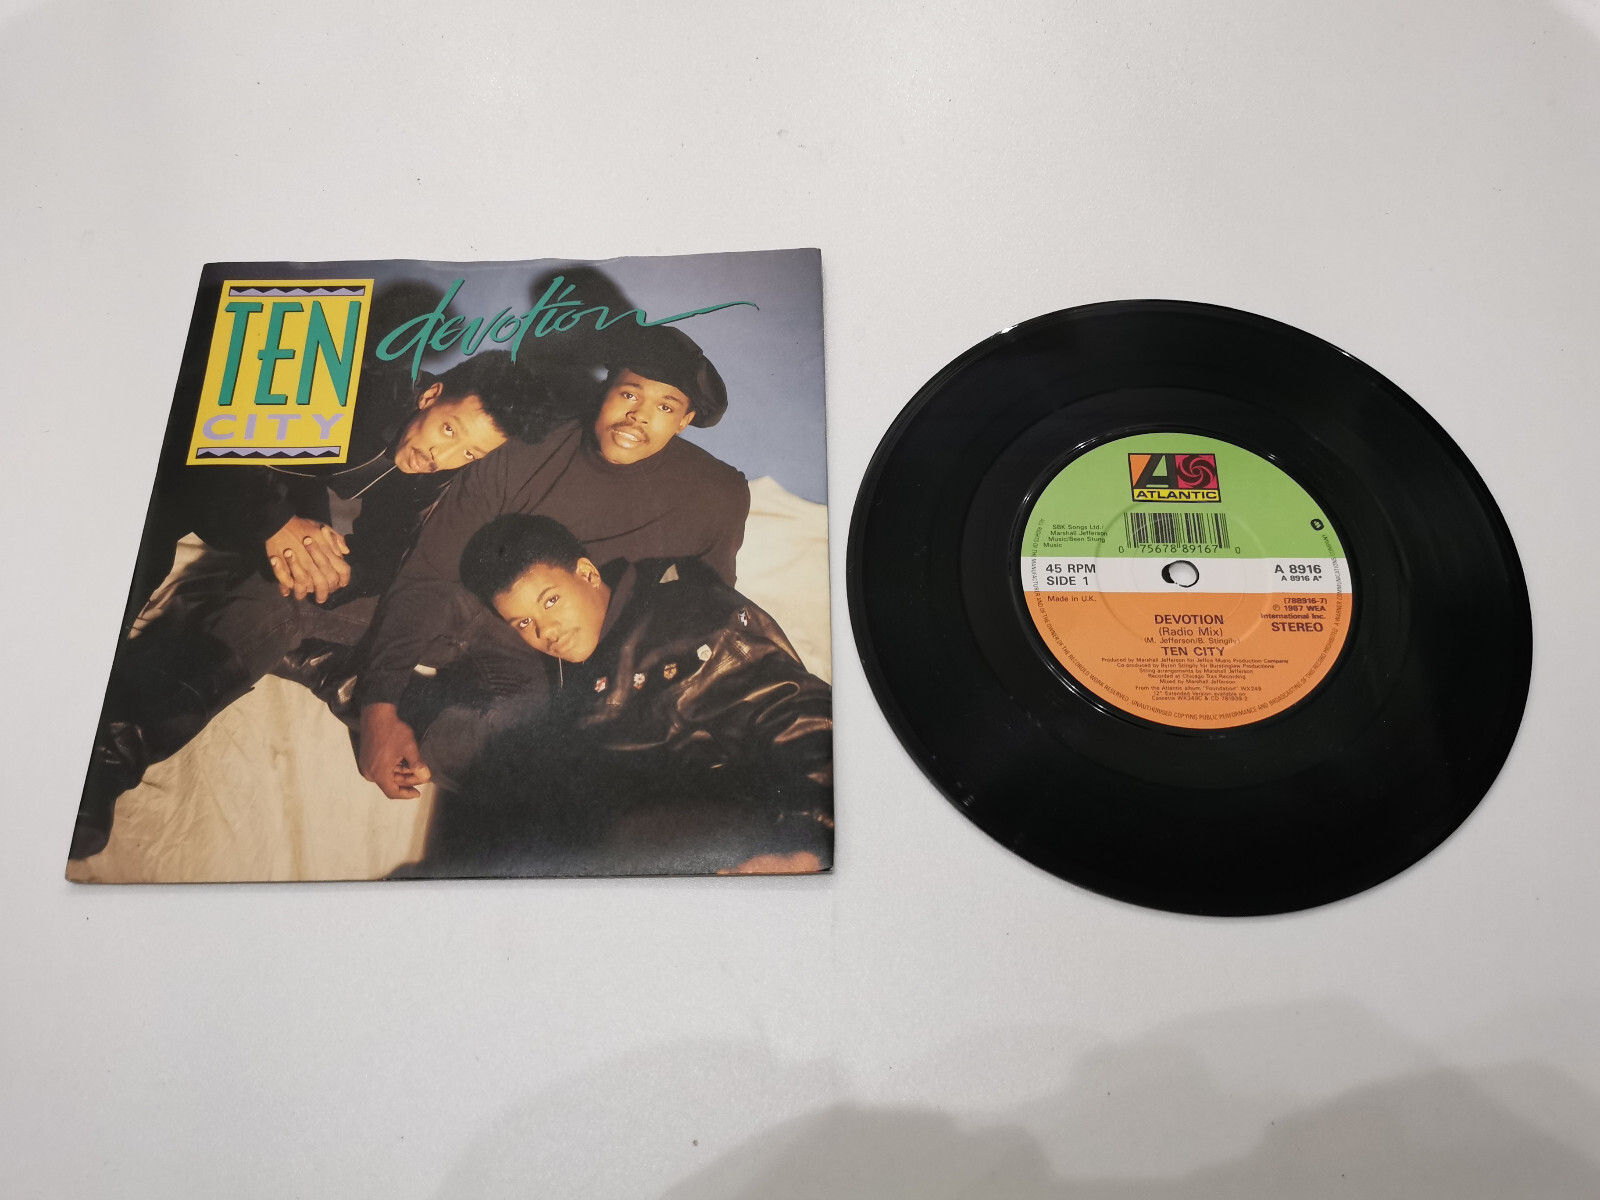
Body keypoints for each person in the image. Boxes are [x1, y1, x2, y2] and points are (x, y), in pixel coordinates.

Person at [72, 350, 556, 860]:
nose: (444, 455)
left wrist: (331, 566)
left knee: (295, 593)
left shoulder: (433, 477)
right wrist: (275, 523)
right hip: (192, 489)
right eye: (449, 430)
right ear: (430, 395)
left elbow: (382, 552)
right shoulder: (352, 391)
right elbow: (200, 432)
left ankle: (108, 762)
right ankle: (102, 754)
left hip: (291, 527)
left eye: (469, 453)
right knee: (129, 566)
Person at [355, 324, 752, 800]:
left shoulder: (717, 495)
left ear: (684, 421)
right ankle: (350, 686)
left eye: (665, 407)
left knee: (521, 765)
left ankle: (354, 690)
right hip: (469, 605)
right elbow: (429, 574)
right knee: (321, 599)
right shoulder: (523, 449)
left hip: (560, 667)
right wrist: (378, 706)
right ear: (606, 388)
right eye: (629, 394)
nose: (638, 416)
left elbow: (707, 615)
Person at [415, 513, 832, 877]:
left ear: (588, 574)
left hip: (712, 844)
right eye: (523, 622)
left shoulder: (691, 630)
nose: (546, 631)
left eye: (551, 601)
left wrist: (805, 845)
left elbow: (804, 717)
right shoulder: (598, 635)